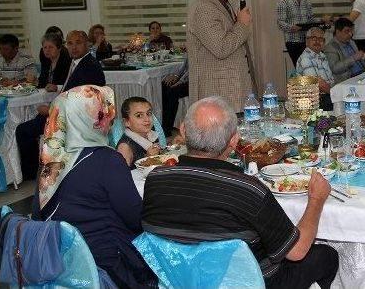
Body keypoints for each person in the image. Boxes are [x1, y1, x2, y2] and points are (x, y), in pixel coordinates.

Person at [142, 96, 339, 289]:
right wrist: (316, 199)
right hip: (251, 282)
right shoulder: (247, 189)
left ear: (183, 131)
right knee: (326, 256)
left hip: (180, 279)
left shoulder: (155, 178)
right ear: (234, 140)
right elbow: (296, 251)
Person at [32, 85, 156, 289]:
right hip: (103, 264)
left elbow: (38, 215)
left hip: (56, 261)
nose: (109, 120)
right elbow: (136, 219)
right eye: (103, 115)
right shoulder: (107, 160)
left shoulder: (50, 161)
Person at [16, 30, 106, 181]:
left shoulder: (89, 66)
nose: (74, 47)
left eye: (78, 43)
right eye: (70, 43)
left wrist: (50, 109)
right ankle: (38, 167)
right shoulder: (79, 62)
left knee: (23, 130)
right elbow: (70, 91)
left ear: (87, 44)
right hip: (66, 112)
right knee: (34, 120)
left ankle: (30, 174)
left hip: (74, 118)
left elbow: (82, 100)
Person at [187, 0, 255, 112]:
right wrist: (242, 24)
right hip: (217, 94)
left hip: (231, 90)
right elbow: (221, 48)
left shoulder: (223, 3)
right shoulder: (203, 9)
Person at [276, 0, 331, 67]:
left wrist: (321, 20)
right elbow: (280, 23)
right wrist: (291, 27)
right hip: (293, 42)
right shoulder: (283, 2)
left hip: (307, 41)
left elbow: (310, 19)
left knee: (311, 66)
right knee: (301, 68)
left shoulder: (306, 0)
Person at [296, 27, 335, 111]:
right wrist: (337, 95)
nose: (317, 41)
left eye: (321, 39)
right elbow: (318, 84)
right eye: (314, 38)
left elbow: (330, 80)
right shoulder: (306, 58)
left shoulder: (322, 56)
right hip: (314, 102)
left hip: (326, 97)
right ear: (307, 41)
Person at [116, 97, 162, 167]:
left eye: (149, 113)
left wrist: (172, 145)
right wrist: (147, 160)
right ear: (127, 122)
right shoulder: (125, 147)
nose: (147, 119)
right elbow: (121, 175)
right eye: (139, 115)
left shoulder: (151, 134)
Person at [324, 17, 365, 83]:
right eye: (347, 31)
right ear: (338, 32)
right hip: (348, 80)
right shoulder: (330, 47)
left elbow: (360, 61)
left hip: (362, 75)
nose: (350, 34)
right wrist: (354, 58)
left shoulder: (351, 42)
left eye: (351, 31)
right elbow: (334, 68)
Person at [161, 57, 188, 135]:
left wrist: (180, 81)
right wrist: (176, 75)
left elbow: (191, 71)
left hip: (192, 81)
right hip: (184, 79)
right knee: (164, 85)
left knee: (172, 91)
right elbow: (184, 66)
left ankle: (167, 129)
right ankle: (164, 123)